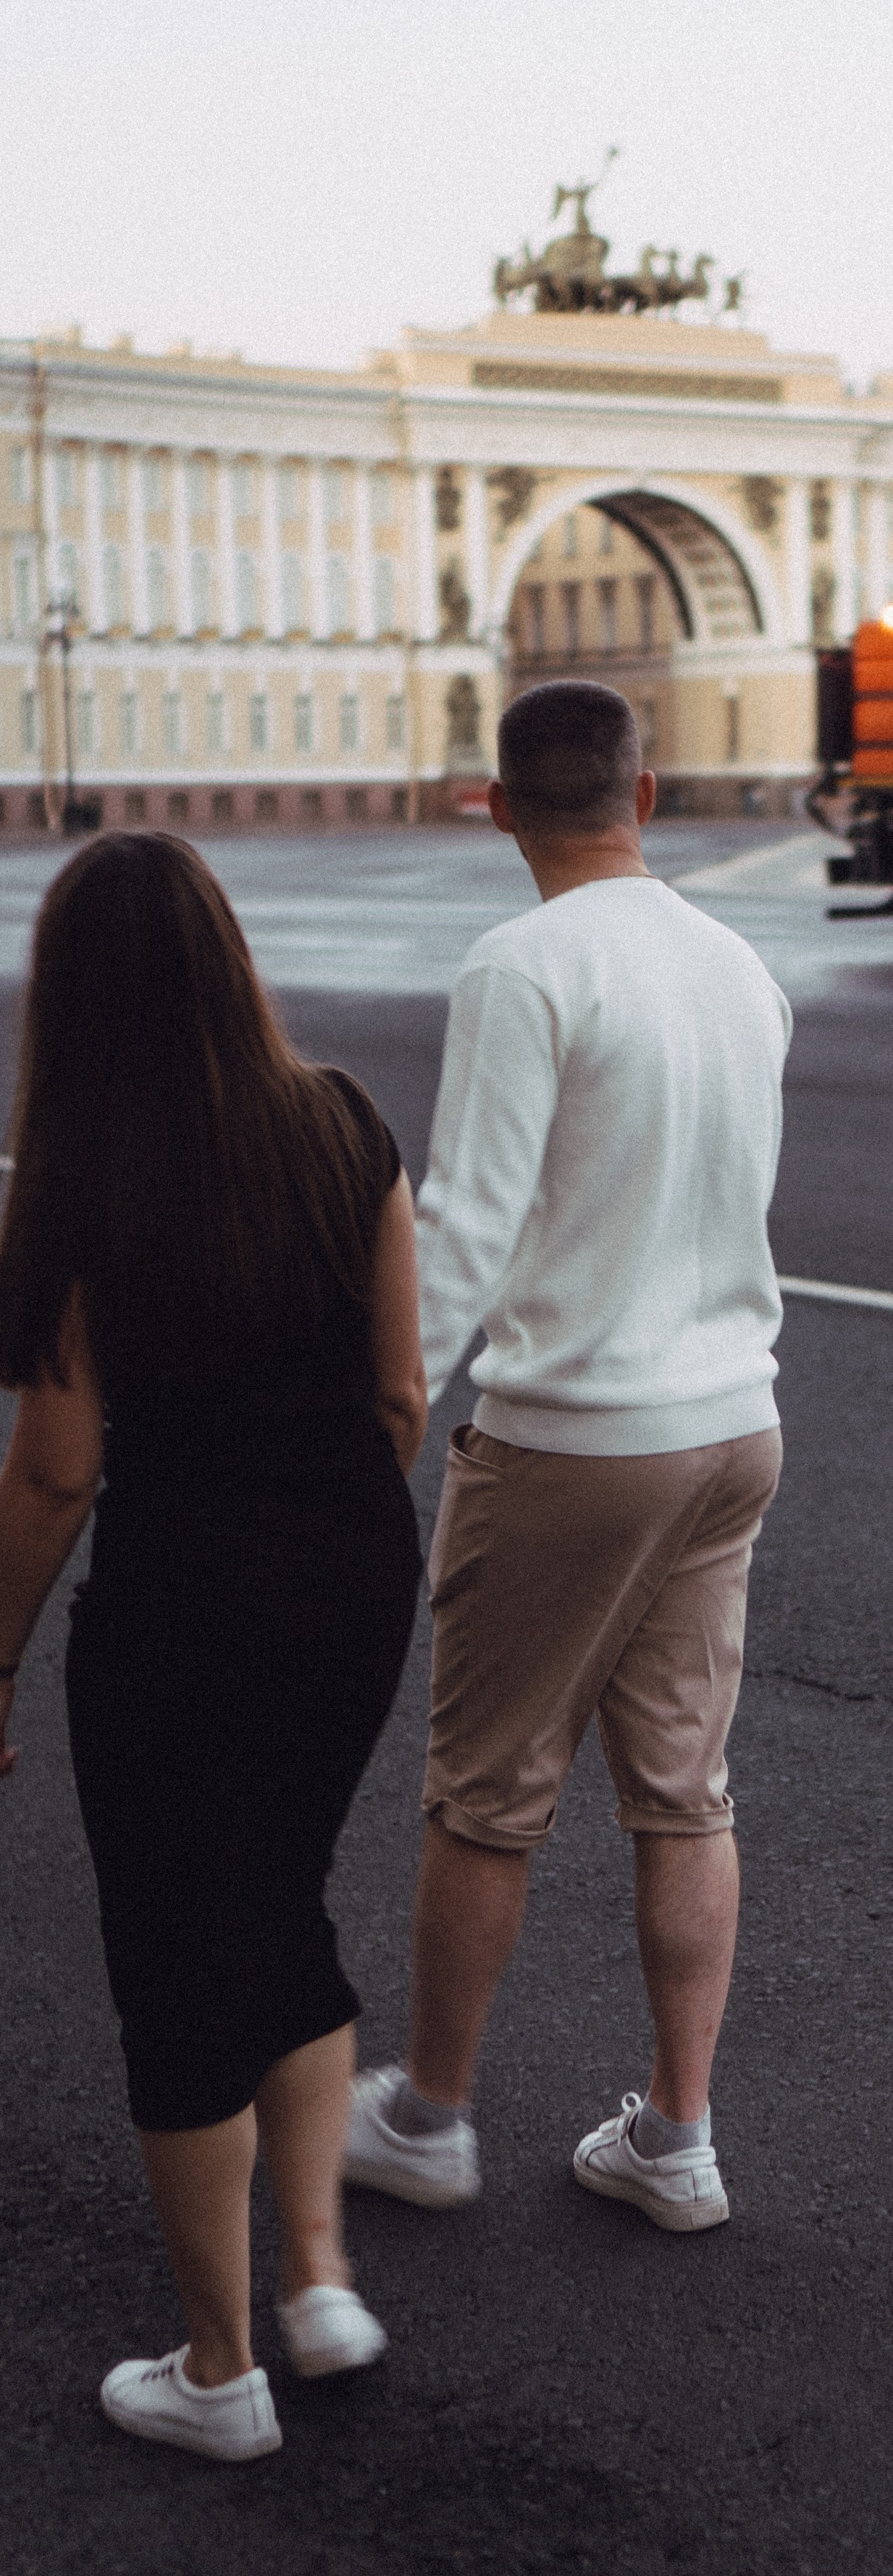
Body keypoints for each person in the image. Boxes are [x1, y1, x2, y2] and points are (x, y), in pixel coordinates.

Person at [0, 835, 425, 2464]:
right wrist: (320, 1535)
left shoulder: (79, 1186)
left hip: (180, 1608)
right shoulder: (346, 1123)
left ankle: (218, 2367)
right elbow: (400, 1393)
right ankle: (318, 2284)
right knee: (279, 1897)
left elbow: (54, 1473)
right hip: (352, 1583)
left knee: (178, 1961)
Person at [344, 680, 788, 2233]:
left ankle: (428, 2115)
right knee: (685, 1795)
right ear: (646, 796)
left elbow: (466, 1224)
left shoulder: (521, 965)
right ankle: (678, 2139)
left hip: (576, 1439)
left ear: (494, 808)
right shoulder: (741, 967)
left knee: (485, 1793)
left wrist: (383, 1416)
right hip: (734, 1423)